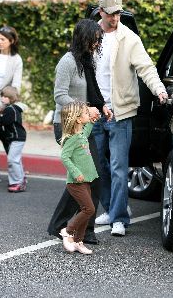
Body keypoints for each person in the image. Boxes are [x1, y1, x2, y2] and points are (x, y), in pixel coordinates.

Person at [94, 0, 168, 236]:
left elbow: (146, 67)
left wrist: (159, 89)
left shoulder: (129, 38)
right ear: (101, 12)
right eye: (111, 14)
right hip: (94, 111)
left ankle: (119, 218)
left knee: (119, 166)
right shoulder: (90, 35)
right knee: (98, 165)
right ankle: (111, 206)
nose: (115, 18)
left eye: (118, 13)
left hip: (120, 111)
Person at [47, 19, 112, 245]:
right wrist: (85, 108)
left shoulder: (86, 60)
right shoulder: (67, 62)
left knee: (90, 176)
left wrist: (102, 106)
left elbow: (92, 91)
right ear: (82, 38)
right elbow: (60, 96)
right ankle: (70, 226)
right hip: (66, 127)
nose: (96, 43)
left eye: (98, 40)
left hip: (83, 126)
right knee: (86, 176)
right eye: (94, 39)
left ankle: (76, 228)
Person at [60, 101, 99, 254]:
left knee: (85, 209)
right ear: (77, 119)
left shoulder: (81, 134)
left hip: (85, 181)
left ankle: (78, 241)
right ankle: (68, 231)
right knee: (89, 209)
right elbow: (64, 156)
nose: (88, 115)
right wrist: (76, 172)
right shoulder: (72, 138)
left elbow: (87, 132)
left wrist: (92, 122)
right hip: (76, 182)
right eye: (85, 114)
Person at [0, 26, 23, 182]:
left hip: (5, 103)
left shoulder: (16, 60)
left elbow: (15, 87)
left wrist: (3, 104)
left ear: (11, 41)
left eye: (2, 39)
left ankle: (18, 177)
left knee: (9, 141)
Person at [0, 86, 27, 192]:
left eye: (5, 96)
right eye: (2, 96)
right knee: (16, 159)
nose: (3, 98)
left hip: (17, 138)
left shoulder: (11, 109)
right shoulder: (10, 109)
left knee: (12, 159)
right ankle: (21, 178)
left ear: (11, 98)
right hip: (15, 138)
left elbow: (5, 121)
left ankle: (17, 182)